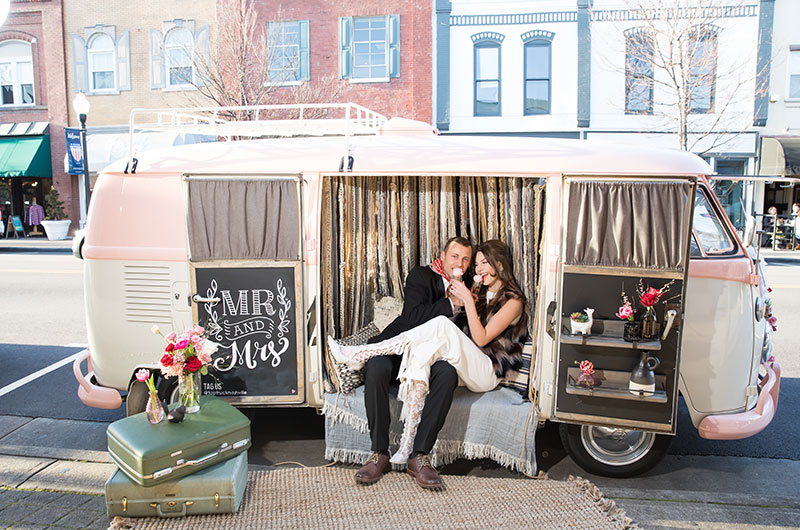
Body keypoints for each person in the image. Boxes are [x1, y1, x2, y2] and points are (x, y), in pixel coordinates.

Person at [328, 239, 528, 490]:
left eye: (469, 261)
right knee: (380, 367)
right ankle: (381, 453)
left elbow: (476, 336)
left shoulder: (478, 290)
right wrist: (451, 305)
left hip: (462, 360)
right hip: (409, 347)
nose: (464, 265)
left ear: (499, 265)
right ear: (443, 255)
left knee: (445, 370)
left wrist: (465, 299)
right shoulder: (422, 276)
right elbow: (411, 317)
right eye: (457, 257)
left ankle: (418, 452)